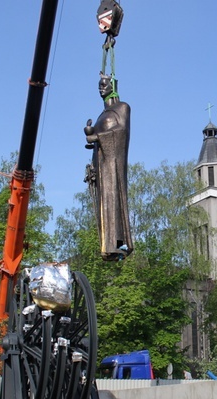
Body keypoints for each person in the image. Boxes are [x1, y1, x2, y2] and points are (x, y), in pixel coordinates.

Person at [84, 72, 133, 261]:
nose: (101, 88)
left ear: (113, 86)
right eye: (99, 85)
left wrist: (96, 136)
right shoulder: (101, 115)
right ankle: (108, 244)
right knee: (104, 202)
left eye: (104, 84)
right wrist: (91, 136)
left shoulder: (123, 107)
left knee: (114, 200)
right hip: (102, 163)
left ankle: (118, 242)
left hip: (114, 162)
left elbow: (121, 131)